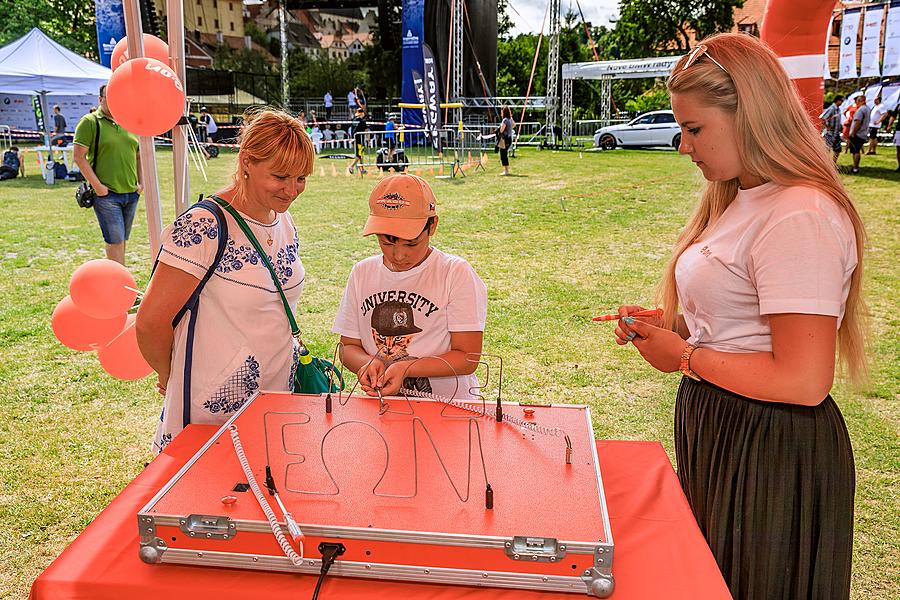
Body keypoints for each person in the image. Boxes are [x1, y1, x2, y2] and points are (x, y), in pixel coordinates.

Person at [614, 34, 864, 600]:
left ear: (749, 114)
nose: (683, 146)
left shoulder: (799, 214)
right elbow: (738, 325)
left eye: (694, 129)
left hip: (770, 445)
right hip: (729, 428)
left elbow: (802, 380)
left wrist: (683, 356)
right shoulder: (743, 196)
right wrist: (676, 327)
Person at [135, 109, 314, 453]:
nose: (292, 189)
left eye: (301, 178)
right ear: (247, 161)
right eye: (281, 176)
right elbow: (150, 322)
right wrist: (169, 372)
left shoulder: (284, 221)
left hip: (275, 398)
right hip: (210, 413)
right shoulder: (203, 226)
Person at [333, 174, 487, 401]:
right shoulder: (362, 273)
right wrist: (367, 363)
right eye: (387, 242)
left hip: (446, 408)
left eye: (411, 243)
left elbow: (467, 358)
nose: (399, 255)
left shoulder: (455, 273)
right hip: (382, 406)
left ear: (432, 225)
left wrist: (407, 368)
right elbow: (348, 347)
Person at [73, 84, 143, 266]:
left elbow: (138, 155)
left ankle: (120, 280)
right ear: (100, 99)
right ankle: (121, 285)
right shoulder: (90, 122)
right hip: (107, 194)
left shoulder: (129, 122)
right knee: (115, 241)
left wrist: (141, 183)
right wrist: (98, 187)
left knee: (122, 240)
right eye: (109, 98)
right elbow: (79, 157)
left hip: (131, 193)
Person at [848, 94, 870, 174]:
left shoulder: (861, 110)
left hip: (858, 134)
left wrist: (853, 132)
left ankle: (855, 168)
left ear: (862, 100)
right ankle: (855, 166)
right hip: (863, 133)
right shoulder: (867, 109)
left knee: (855, 151)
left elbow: (858, 122)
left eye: (857, 100)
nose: (856, 102)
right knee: (857, 150)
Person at [819, 93, 844, 163]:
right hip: (830, 133)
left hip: (836, 133)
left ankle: (833, 164)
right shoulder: (832, 108)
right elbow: (822, 117)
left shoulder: (838, 109)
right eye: (841, 101)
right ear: (837, 100)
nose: (842, 102)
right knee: (827, 149)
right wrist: (827, 127)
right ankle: (825, 164)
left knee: (838, 149)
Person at [347, 108, 368, 175]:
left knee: (360, 155)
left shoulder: (354, 120)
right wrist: (368, 138)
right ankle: (351, 166)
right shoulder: (362, 121)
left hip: (354, 139)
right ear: (362, 113)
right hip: (360, 140)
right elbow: (366, 130)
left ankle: (362, 169)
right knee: (358, 155)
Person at [497, 105, 515, 176]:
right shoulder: (510, 119)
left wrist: (501, 127)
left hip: (505, 139)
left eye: (501, 111)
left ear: (503, 112)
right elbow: (514, 125)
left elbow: (501, 130)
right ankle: (506, 170)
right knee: (504, 154)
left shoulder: (505, 120)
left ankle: (506, 171)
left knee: (503, 154)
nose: (501, 113)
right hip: (509, 139)